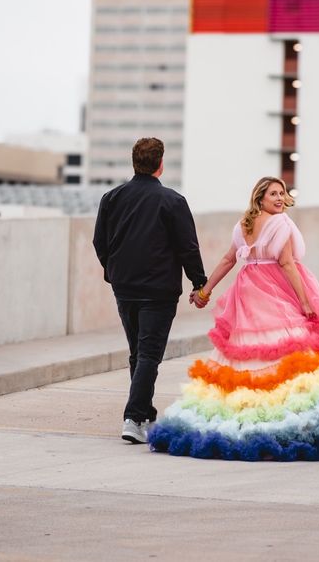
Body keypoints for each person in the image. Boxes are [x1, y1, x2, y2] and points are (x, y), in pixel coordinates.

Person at [148, 176, 319, 461]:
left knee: (244, 350)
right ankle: (284, 421)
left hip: (248, 290)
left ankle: (236, 417)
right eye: (273, 193)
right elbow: (287, 263)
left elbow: (229, 260)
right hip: (273, 292)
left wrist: (205, 290)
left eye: (282, 193)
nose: (279, 198)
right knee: (283, 348)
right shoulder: (281, 224)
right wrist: (304, 301)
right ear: (260, 198)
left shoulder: (243, 226)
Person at [93, 137, 207, 444]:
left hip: (124, 287)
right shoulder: (173, 201)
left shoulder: (111, 198)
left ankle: (144, 413)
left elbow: (99, 243)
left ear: (134, 162)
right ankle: (133, 417)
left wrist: (113, 271)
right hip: (158, 290)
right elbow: (188, 248)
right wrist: (199, 282)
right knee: (149, 355)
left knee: (138, 353)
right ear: (160, 164)